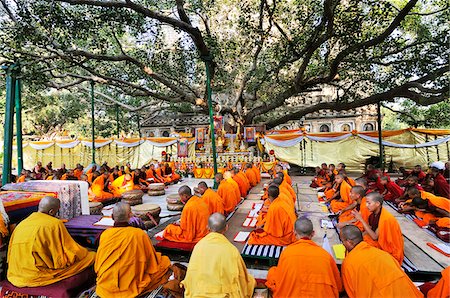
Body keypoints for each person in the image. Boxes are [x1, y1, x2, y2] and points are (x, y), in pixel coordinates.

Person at [7, 196, 95, 287]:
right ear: (51, 212)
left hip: (16, 272)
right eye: (57, 211)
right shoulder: (54, 224)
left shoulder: (22, 223)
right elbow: (66, 255)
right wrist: (86, 251)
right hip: (37, 274)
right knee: (91, 257)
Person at [95, 202, 171, 297]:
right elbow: (152, 261)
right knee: (164, 262)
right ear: (130, 215)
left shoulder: (105, 234)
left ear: (112, 216)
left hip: (106, 286)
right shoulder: (139, 234)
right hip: (130, 287)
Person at [181, 213, 256, 297]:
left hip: (198, 294)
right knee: (249, 281)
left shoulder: (198, 246)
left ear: (207, 227)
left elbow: (191, 275)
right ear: (226, 227)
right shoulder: (231, 250)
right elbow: (241, 279)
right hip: (222, 294)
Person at [266, 217, 342, 297]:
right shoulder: (325, 255)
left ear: (294, 233)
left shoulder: (287, 252)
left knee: (273, 272)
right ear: (313, 233)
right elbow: (338, 286)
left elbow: (280, 279)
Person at [340, 225, 423, 298]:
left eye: (342, 241)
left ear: (349, 242)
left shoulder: (348, 263)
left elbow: (351, 292)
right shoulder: (384, 254)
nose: (342, 244)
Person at [351, 192, 404, 264]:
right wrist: (358, 238)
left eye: (369, 203)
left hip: (389, 247)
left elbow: (374, 237)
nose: (366, 205)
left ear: (377, 204)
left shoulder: (385, 218)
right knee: (359, 242)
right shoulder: (374, 214)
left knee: (364, 249)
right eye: (366, 202)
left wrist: (361, 219)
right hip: (379, 239)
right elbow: (370, 228)